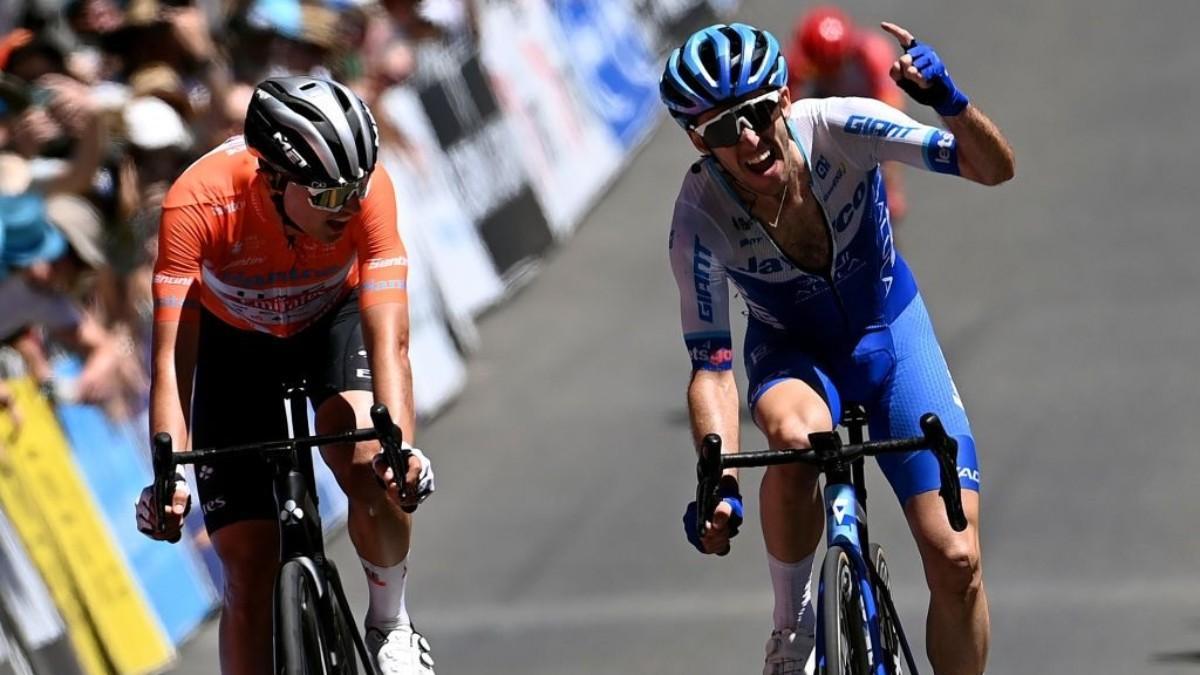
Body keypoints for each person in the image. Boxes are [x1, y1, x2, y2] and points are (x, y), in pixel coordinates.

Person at [660, 22, 1013, 675]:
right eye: (719, 130)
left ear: (786, 98)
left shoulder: (845, 127)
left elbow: (995, 169)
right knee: (795, 441)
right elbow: (710, 367)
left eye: (758, 114)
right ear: (695, 141)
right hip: (792, 355)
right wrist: (720, 479)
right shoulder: (698, 216)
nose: (746, 140)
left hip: (889, 333)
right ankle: (792, 634)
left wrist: (950, 102)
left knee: (958, 561)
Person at [132, 75, 437, 675]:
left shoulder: (368, 194)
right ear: (274, 178)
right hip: (234, 344)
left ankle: (391, 622)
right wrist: (167, 471)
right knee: (247, 567)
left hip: (332, 321)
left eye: (355, 188)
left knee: (368, 464)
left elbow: (390, 340)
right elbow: (172, 357)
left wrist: (401, 447)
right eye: (327, 196)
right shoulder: (196, 203)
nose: (347, 206)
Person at [786, 6, 911, 221]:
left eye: (836, 66)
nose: (831, 74)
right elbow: (786, 112)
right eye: (824, 70)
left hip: (867, 110)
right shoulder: (798, 66)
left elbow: (892, 115)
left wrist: (891, 181)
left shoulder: (873, 53)